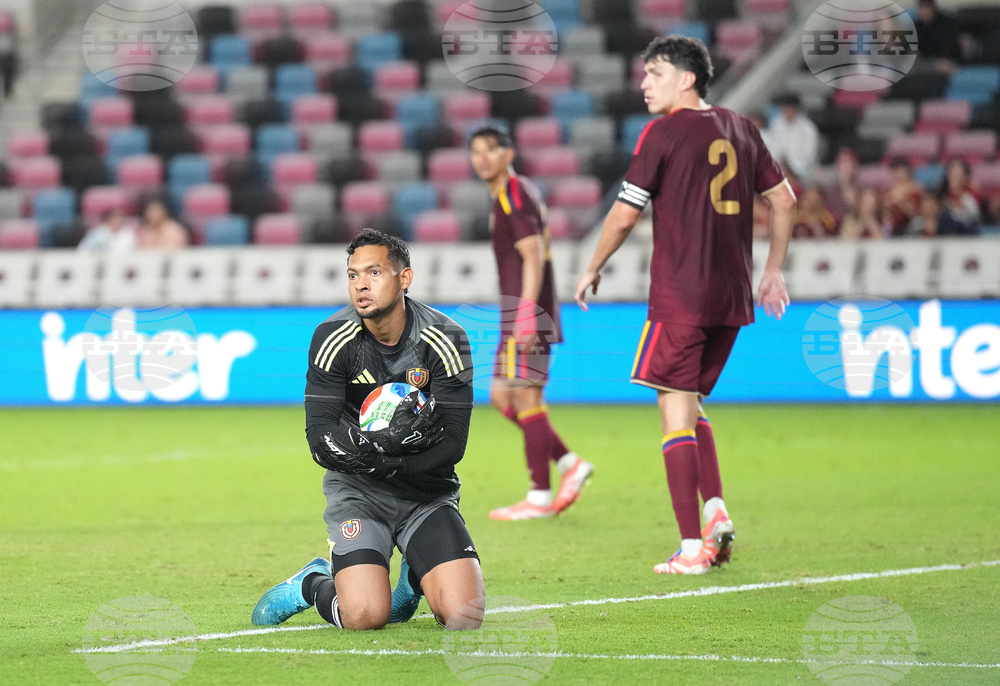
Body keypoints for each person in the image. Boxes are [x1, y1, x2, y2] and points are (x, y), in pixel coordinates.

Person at [574, 36, 796, 575]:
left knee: (674, 412)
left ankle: (691, 546)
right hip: (732, 298)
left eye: (654, 73)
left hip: (681, 295)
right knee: (691, 403)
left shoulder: (663, 132)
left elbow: (625, 214)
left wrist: (593, 264)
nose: (644, 84)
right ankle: (715, 509)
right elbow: (785, 201)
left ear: (687, 79)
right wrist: (771, 272)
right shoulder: (743, 129)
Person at [251, 229, 484, 631]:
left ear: (404, 278)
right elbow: (319, 437)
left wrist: (394, 465)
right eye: (353, 274)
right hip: (359, 491)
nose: (361, 283)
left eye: (374, 272)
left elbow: (453, 444)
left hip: (426, 492)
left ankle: (414, 576)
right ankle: (312, 584)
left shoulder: (446, 339)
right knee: (364, 616)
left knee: (464, 617)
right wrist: (374, 456)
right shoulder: (333, 338)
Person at [468, 125, 593, 521]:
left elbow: (533, 256)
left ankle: (539, 495)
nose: (483, 157)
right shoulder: (509, 195)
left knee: (524, 397)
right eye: (476, 151)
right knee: (504, 398)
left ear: (509, 153)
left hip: (526, 314)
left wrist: (526, 314)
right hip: (520, 313)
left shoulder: (515, 195)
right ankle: (569, 462)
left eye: (491, 149)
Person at [764, 93, 820, 184]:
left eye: (791, 109)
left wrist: (792, 169)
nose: (788, 112)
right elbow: (773, 148)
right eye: (786, 109)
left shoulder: (808, 128)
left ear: (797, 109)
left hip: (801, 171)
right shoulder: (776, 124)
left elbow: (810, 156)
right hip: (780, 167)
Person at [937, 158, 981, 235]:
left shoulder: (971, 193)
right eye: (952, 173)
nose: (955, 178)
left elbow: (974, 215)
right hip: (946, 229)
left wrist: (959, 195)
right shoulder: (941, 192)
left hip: (967, 227)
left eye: (959, 174)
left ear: (965, 177)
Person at [914, 0, 962, 66]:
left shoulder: (947, 24)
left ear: (933, 8)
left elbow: (950, 47)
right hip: (925, 63)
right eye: (921, 8)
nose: (924, 12)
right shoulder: (916, 27)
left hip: (948, 61)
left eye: (926, 7)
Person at [884, 159, 923, 236]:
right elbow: (886, 216)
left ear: (909, 173)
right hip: (894, 228)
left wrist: (901, 203)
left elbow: (918, 215)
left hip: (912, 227)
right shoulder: (889, 191)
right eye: (897, 172)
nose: (900, 175)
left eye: (903, 172)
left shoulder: (916, 190)